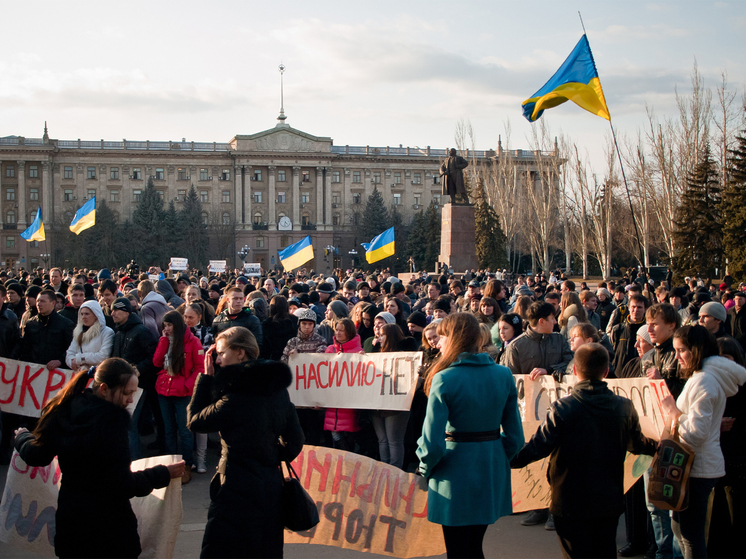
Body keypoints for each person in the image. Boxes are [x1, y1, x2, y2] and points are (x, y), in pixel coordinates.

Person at [14, 358, 185, 558]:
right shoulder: (112, 424)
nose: (131, 400)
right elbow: (123, 484)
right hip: (110, 531)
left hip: (73, 525)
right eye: (127, 393)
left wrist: (22, 437)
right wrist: (162, 473)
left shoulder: (65, 409)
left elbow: (37, 455)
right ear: (104, 388)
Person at [511, 344, 658, 559]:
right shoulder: (624, 407)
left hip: (569, 499)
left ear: (576, 372)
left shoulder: (562, 408)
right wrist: (658, 445)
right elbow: (636, 444)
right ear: (606, 371)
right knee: (605, 551)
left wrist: (504, 457)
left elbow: (537, 448)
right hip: (608, 498)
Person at [187, 326, 304, 558]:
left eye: (221, 353)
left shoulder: (235, 397)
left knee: (224, 548)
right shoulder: (277, 390)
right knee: (265, 547)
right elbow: (296, 439)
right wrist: (271, 455)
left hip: (235, 485)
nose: (217, 359)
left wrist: (205, 379)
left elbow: (195, 421)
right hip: (270, 486)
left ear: (240, 353)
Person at [417, 313, 523, 558]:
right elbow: (516, 438)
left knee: (458, 549)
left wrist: (425, 468)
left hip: (452, 474)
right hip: (489, 468)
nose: (437, 343)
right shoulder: (503, 374)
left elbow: (431, 445)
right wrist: (493, 454)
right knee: (474, 547)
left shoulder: (444, 378)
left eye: (441, 337)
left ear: (452, 338)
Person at [659, 325, 746, 559]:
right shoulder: (703, 377)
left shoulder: (704, 381)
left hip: (698, 469)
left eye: (682, 350)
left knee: (690, 537)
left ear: (697, 350)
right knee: (683, 532)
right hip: (697, 466)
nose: (676, 357)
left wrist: (672, 412)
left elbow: (696, 433)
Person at [153, 311, 204, 484]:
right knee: (169, 430)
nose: (167, 328)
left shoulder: (193, 341)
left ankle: (187, 464)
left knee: (185, 430)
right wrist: (163, 340)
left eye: (169, 325)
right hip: (164, 390)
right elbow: (156, 362)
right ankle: (170, 464)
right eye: (164, 325)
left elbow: (199, 367)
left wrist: (186, 385)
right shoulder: (166, 340)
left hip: (182, 392)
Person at [110, 297, 158, 459]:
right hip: (121, 384)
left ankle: (134, 463)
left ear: (126, 312)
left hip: (139, 385)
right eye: (112, 310)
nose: (112, 313)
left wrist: (139, 369)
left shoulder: (142, 331)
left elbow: (154, 356)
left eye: (116, 310)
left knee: (130, 423)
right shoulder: (118, 333)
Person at [370, 323, 418, 469]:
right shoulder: (376, 354)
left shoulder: (403, 355)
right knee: (382, 440)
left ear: (390, 336)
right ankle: (385, 472)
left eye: (382, 334)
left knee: (394, 441)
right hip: (377, 404)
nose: (379, 337)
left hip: (396, 406)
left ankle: (395, 473)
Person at [324, 318, 363, 451]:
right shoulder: (329, 350)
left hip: (349, 406)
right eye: (337, 329)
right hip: (332, 404)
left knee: (349, 442)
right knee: (336, 441)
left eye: (342, 330)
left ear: (350, 332)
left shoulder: (358, 351)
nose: (338, 333)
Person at [65, 299, 115, 369]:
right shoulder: (78, 332)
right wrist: (74, 363)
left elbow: (103, 356)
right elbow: (70, 353)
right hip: (80, 373)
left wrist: (80, 359)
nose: (83, 317)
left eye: (87, 314)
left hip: (98, 373)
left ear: (96, 315)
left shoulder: (107, 332)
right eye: (82, 314)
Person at [260, 296, 298, 360]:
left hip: (272, 359)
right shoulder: (295, 320)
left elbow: (264, 346)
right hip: (292, 357)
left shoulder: (267, 323)